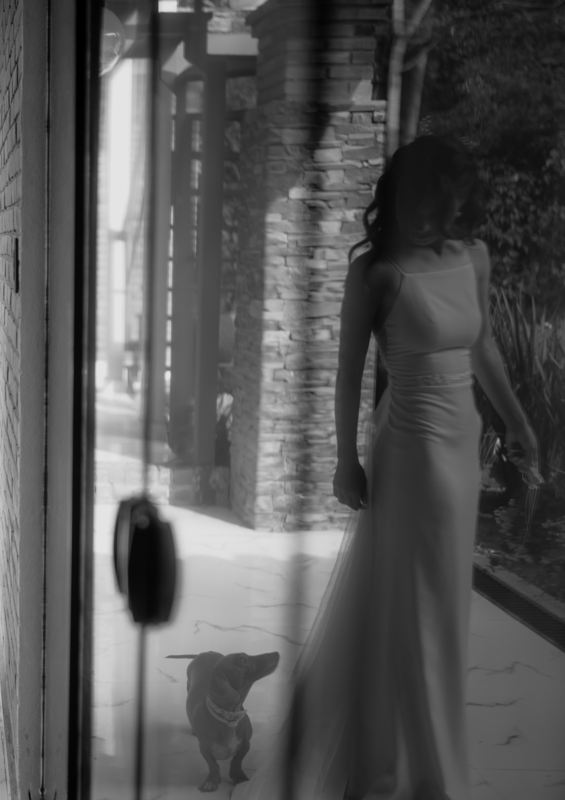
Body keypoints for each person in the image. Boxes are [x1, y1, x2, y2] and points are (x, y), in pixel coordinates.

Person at [238, 135, 539, 800]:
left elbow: (483, 342)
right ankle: (414, 776)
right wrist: (344, 459)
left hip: (462, 448)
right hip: (413, 451)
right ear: (394, 195)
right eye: (415, 198)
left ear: (459, 205)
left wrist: (517, 424)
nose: (425, 213)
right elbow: (349, 373)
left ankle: (404, 762)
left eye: (442, 202)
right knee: (419, 613)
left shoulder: (473, 258)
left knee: (435, 612)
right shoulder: (376, 272)